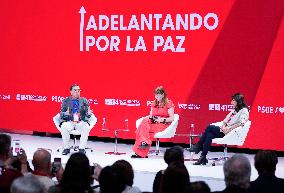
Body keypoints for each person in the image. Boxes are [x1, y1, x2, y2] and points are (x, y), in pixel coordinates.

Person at [191, 93, 249, 165]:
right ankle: (203, 157)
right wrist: (223, 125)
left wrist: (229, 128)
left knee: (209, 127)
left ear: (238, 101)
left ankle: (198, 146)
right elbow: (226, 120)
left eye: (233, 100)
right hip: (224, 130)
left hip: (230, 133)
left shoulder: (244, 110)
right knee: (209, 135)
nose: (231, 102)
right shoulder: (235, 110)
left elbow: (241, 123)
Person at [132, 86, 175, 158]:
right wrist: (152, 118)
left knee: (141, 130)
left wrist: (161, 120)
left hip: (163, 124)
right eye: (155, 95)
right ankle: (144, 143)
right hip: (154, 122)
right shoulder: (154, 103)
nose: (156, 96)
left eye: (158, 95)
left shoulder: (169, 103)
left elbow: (171, 118)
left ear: (163, 94)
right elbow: (151, 115)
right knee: (144, 121)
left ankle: (141, 153)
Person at [58, 83, 96, 155]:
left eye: (78, 90)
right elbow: (61, 113)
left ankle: (82, 148)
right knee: (64, 126)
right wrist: (65, 114)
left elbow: (87, 114)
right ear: (71, 92)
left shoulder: (84, 100)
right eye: (75, 90)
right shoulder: (66, 101)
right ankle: (66, 148)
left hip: (80, 121)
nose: (77, 92)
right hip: (70, 121)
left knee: (86, 127)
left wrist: (88, 114)